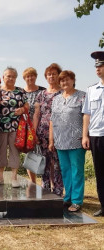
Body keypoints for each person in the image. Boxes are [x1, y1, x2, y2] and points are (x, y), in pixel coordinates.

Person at [49, 70, 86, 212]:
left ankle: (77, 200)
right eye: (62, 80)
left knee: (77, 170)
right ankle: (68, 197)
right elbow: (52, 120)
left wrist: (84, 136)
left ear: (73, 80)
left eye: (67, 80)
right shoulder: (57, 98)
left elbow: (85, 118)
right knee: (65, 170)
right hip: (60, 141)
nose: (65, 83)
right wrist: (51, 140)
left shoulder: (82, 96)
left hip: (76, 140)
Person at [0, 67, 29, 188]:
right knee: (0, 151)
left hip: (15, 126)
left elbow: (27, 106)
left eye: (13, 76)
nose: (11, 78)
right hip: (0, 126)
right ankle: (0, 177)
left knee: (15, 151)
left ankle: (14, 177)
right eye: (8, 76)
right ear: (3, 77)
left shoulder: (20, 91)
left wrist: (22, 109)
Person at [33, 63, 63, 196]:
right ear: (46, 76)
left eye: (54, 74)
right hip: (42, 132)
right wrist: (34, 132)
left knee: (57, 163)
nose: (51, 76)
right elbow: (36, 114)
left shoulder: (63, 93)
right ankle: (45, 189)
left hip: (59, 132)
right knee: (44, 162)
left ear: (58, 76)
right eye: (49, 74)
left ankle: (57, 191)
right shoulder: (41, 94)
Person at [82, 51, 104, 217]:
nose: (98, 69)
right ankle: (103, 206)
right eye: (96, 66)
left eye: (101, 66)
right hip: (96, 135)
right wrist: (85, 135)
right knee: (100, 172)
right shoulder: (92, 90)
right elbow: (87, 114)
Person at [23, 67, 45, 183]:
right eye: (27, 76)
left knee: (45, 154)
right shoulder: (21, 92)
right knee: (30, 155)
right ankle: (33, 182)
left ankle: (48, 183)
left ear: (36, 77)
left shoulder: (43, 91)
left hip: (42, 126)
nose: (30, 78)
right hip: (26, 127)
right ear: (24, 78)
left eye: (32, 75)